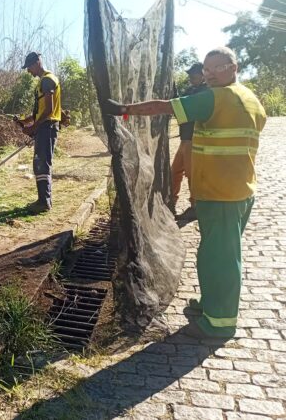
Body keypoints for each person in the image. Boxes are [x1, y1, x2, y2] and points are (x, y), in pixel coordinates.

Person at [105, 47, 266, 339]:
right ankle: (210, 304)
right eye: (206, 69)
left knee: (221, 258)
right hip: (240, 191)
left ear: (234, 67)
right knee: (214, 253)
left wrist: (125, 110)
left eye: (217, 68)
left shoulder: (216, 98)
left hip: (221, 195)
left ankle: (219, 323)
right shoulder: (251, 99)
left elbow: (163, 107)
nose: (209, 74)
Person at [18, 52, 63, 214]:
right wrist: (27, 121)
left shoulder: (47, 80)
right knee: (40, 163)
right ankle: (42, 199)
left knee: (42, 163)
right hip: (45, 126)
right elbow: (42, 109)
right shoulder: (44, 81)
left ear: (37, 63)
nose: (28, 71)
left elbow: (49, 110)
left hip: (47, 127)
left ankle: (44, 202)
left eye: (29, 67)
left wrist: (33, 127)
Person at [171, 62, 207, 219]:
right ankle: (171, 202)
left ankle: (195, 206)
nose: (191, 78)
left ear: (203, 76)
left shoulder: (205, 92)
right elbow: (178, 108)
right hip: (184, 138)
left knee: (192, 174)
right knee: (175, 172)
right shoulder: (191, 90)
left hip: (194, 138)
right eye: (190, 75)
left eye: (194, 75)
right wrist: (174, 95)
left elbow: (186, 110)